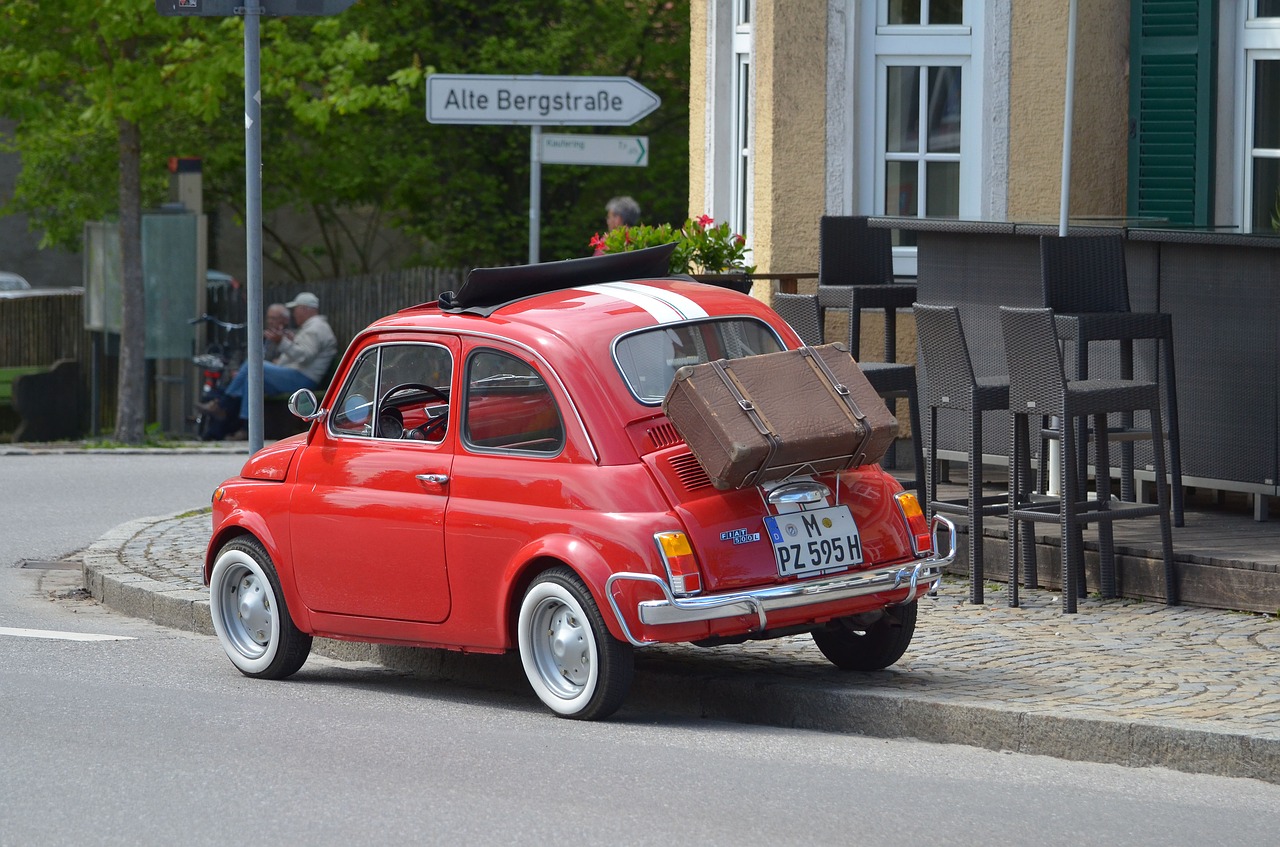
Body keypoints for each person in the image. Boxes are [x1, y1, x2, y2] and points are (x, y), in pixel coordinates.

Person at [201, 292, 337, 440]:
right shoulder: (312, 327)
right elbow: (302, 355)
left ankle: (223, 405)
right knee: (252, 379)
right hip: (298, 375)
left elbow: (304, 356)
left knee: (252, 365)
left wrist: (282, 342)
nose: (294, 313)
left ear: (305, 309)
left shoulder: (316, 328)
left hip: (302, 379)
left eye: (296, 309)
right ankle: (246, 428)